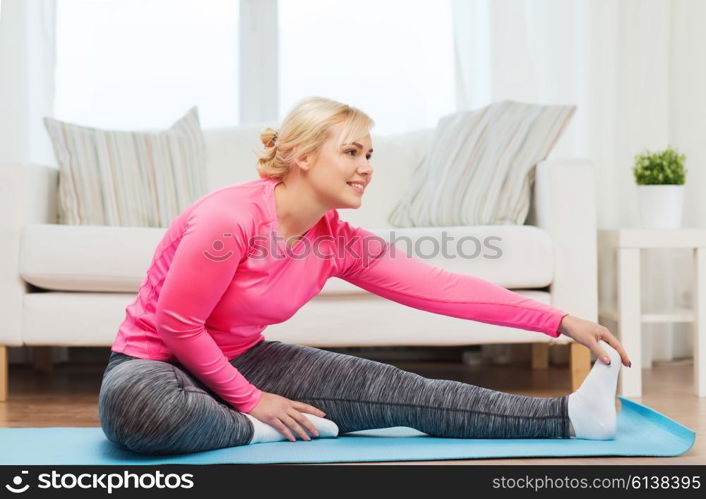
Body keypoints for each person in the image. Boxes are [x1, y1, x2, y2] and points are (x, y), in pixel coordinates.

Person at [98, 96, 632, 456]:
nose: (367, 166)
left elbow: (444, 290)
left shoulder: (339, 240)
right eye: (351, 151)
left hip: (244, 358)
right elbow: (178, 326)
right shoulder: (228, 219)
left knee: (400, 390)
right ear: (302, 156)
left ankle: (568, 416)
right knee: (141, 413)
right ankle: (259, 432)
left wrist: (559, 319)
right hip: (153, 366)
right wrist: (252, 402)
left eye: (369, 153)